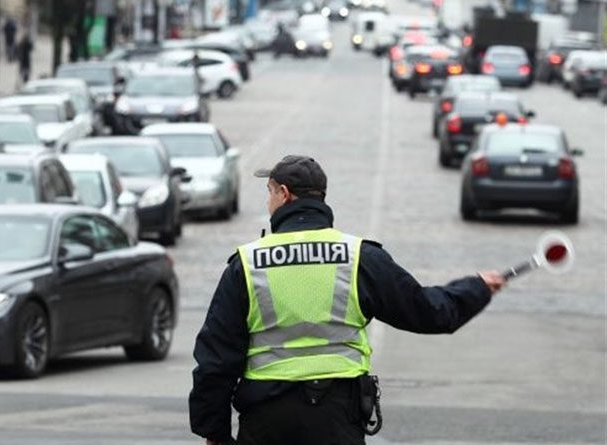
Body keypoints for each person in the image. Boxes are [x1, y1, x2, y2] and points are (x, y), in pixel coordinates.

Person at [189, 155, 506, 445]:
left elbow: (216, 357)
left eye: (269, 192)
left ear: (284, 194)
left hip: (267, 419)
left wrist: (214, 431)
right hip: (337, 415)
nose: (268, 201)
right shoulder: (358, 257)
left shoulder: (248, 264)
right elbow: (429, 311)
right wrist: (476, 287)